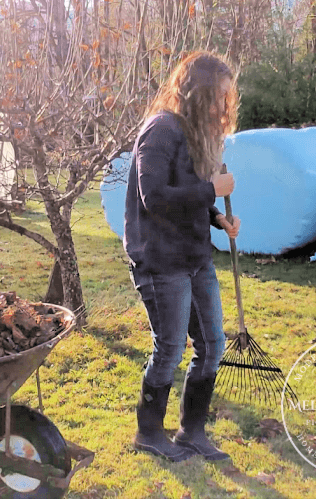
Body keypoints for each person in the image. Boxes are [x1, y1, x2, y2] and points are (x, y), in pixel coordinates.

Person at [123, 51, 241, 462]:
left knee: (212, 344)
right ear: (196, 92)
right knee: (170, 347)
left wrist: (215, 218)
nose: (223, 106)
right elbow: (153, 197)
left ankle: (192, 431)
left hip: (194, 255)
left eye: (227, 97)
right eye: (217, 96)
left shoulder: (194, 134)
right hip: (159, 259)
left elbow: (185, 193)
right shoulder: (160, 129)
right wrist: (213, 192)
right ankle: (149, 432)